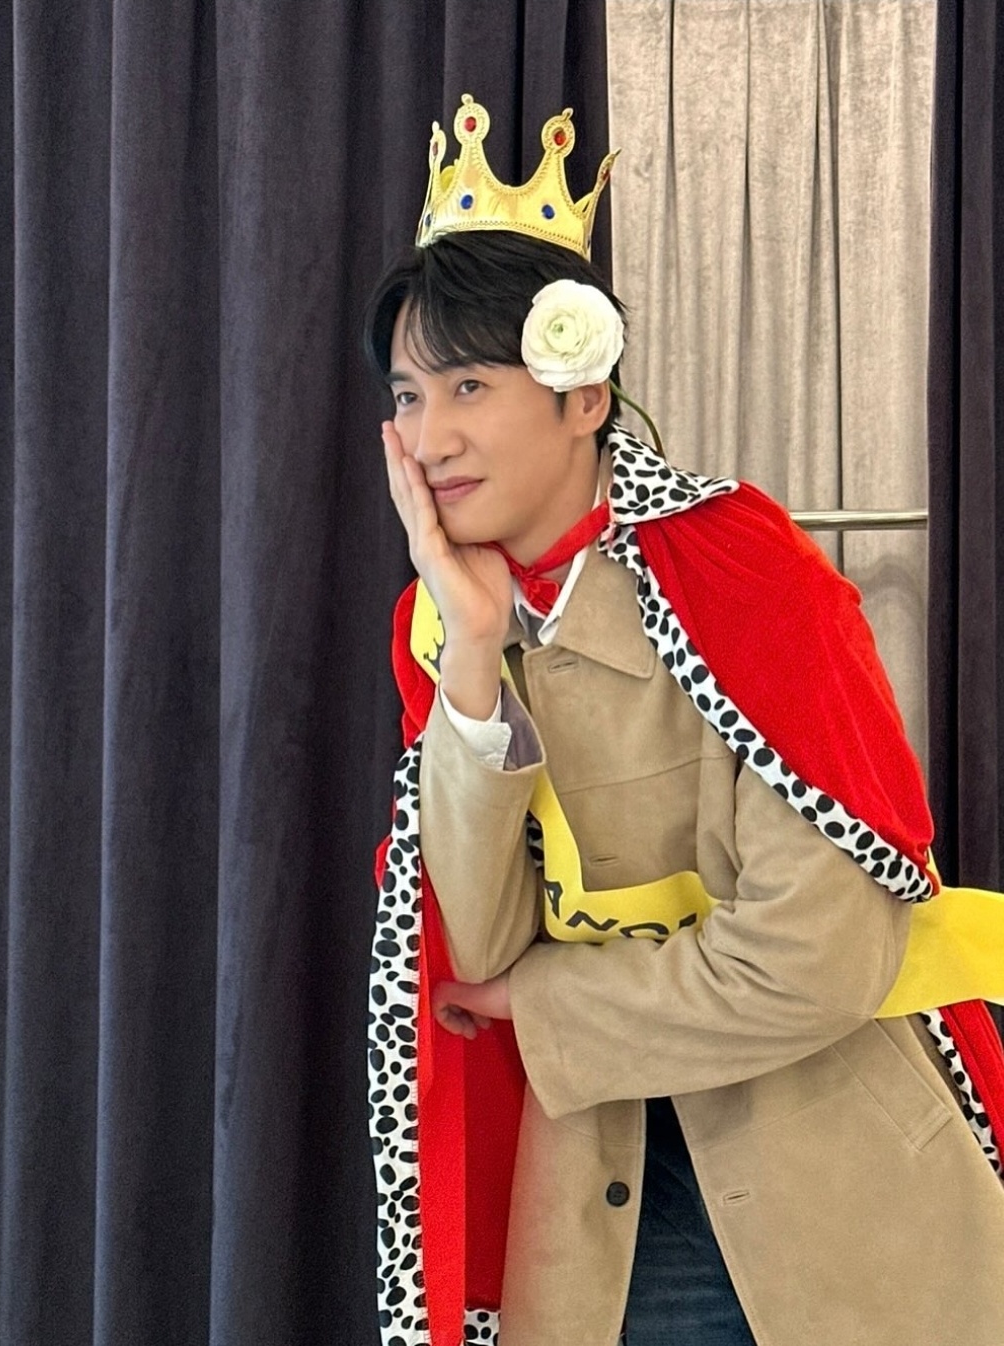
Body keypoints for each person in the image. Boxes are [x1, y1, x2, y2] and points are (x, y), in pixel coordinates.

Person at [364, 95, 1004, 1346]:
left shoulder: (740, 574)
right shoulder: (446, 624)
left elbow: (816, 956)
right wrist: (478, 657)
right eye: (406, 395)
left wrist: (547, 1004)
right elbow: (477, 939)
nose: (430, 438)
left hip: (834, 1181)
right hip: (594, 1206)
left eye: (469, 384)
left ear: (581, 394)